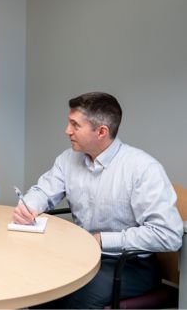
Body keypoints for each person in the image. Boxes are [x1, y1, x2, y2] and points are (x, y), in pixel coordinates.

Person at [13, 92, 183, 308]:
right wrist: (29, 207)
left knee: (75, 296)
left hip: (129, 265)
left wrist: (103, 240)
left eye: (75, 125)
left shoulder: (143, 169)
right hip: (83, 254)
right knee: (42, 285)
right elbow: (43, 191)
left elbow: (168, 234)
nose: (67, 131)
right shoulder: (68, 159)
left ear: (101, 131)